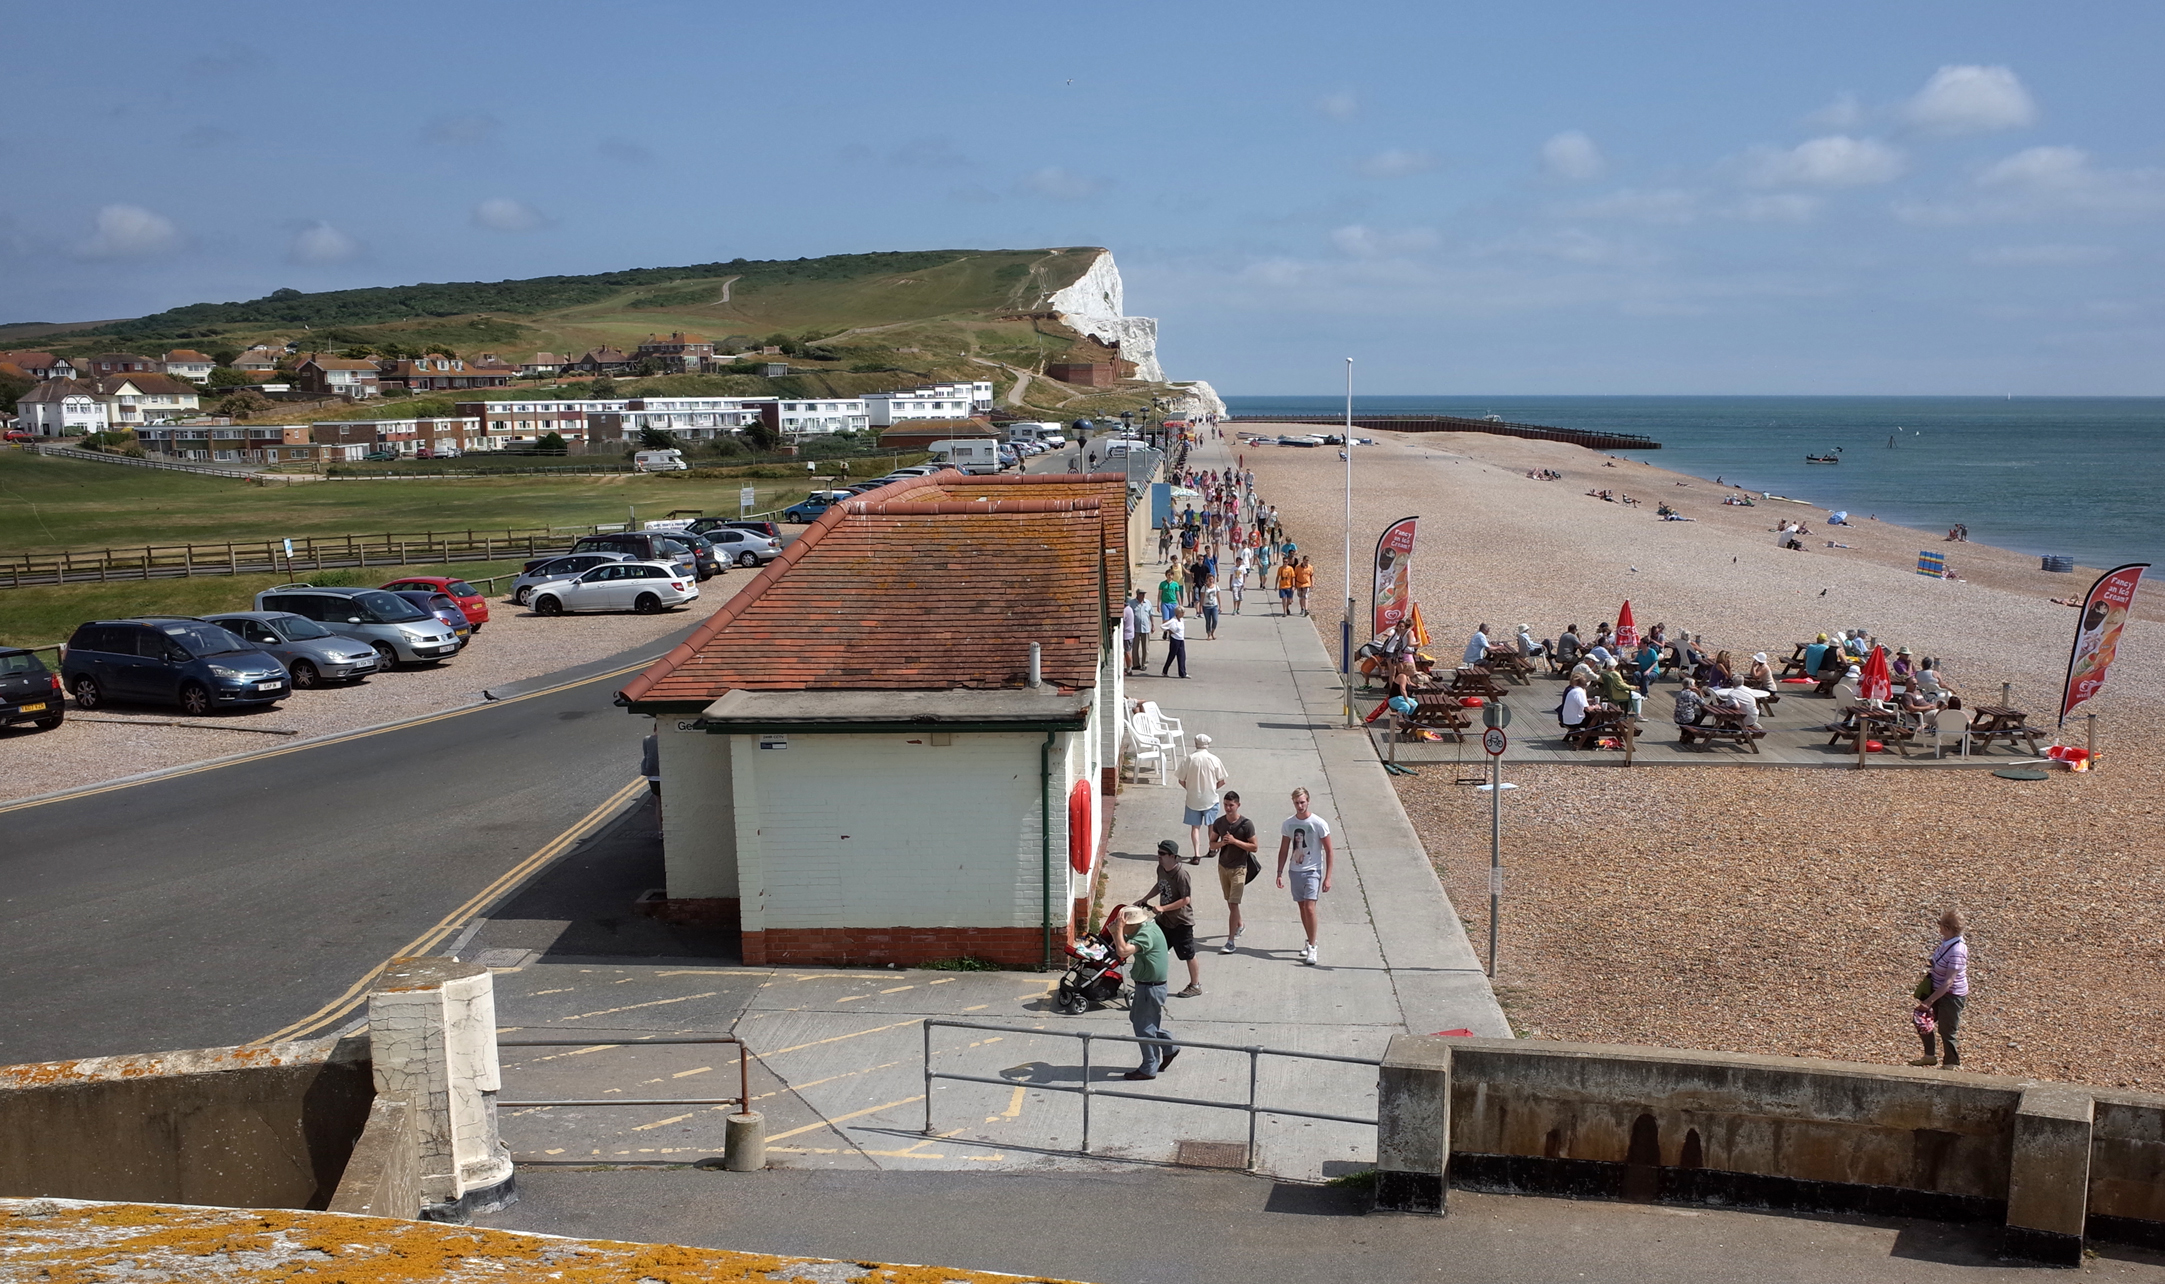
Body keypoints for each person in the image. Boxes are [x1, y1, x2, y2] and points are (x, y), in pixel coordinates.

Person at [1113, 905, 1175, 1079]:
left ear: (1133, 924)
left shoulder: (1145, 935)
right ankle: (1170, 1045)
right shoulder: (1148, 927)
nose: (1124, 930)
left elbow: (1122, 951)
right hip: (1151, 986)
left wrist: (1117, 930)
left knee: (1143, 1027)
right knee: (1140, 1021)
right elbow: (1123, 942)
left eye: (1126, 926)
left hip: (1150, 987)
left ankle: (1149, 1067)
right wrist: (1117, 931)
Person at [1275, 787, 1334, 965]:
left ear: (1308, 801)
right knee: (1302, 908)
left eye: (1302, 802)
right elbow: (1284, 849)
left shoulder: (1318, 823)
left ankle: (1313, 947)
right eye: (1296, 802)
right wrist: (1279, 872)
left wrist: (1328, 877)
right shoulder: (1288, 824)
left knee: (1310, 908)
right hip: (1295, 871)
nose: (1300, 805)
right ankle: (1309, 940)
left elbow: (1330, 851)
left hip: (1313, 871)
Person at [1140, 839, 1203, 998]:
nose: (1158, 857)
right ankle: (1151, 981)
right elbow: (1159, 885)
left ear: (1172, 856)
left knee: (1188, 954)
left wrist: (1162, 908)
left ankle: (1195, 985)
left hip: (1181, 922)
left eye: (1162, 854)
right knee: (1155, 949)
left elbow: (1186, 900)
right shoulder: (1161, 868)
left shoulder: (1181, 875)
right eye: (1158, 853)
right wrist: (1144, 899)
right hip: (1165, 921)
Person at [1909, 911, 1969, 1068]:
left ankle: (1951, 1063)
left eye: (1941, 925)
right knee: (1921, 1020)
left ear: (1947, 928)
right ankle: (1929, 1055)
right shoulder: (1946, 942)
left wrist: (1928, 1001)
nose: (1939, 928)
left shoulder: (1957, 951)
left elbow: (1949, 982)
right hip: (1937, 990)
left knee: (1947, 1031)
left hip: (1952, 995)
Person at [1211, 791, 1259, 952]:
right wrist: (1222, 844)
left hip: (1239, 868)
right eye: (1225, 804)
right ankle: (1240, 924)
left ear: (1238, 805)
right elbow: (1212, 844)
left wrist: (1234, 841)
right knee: (1230, 903)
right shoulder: (1219, 822)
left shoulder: (1246, 824)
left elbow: (1254, 847)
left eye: (1231, 805)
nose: (1228, 808)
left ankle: (1230, 941)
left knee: (1233, 902)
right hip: (1223, 867)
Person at [1176, 732, 1228, 862]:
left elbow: (1181, 780)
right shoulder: (1214, 759)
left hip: (1193, 799)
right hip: (1210, 798)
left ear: (1195, 744)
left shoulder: (1189, 759)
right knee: (1211, 825)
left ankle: (1196, 854)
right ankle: (1211, 849)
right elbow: (1222, 780)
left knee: (1195, 827)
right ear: (1208, 744)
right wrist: (1212, 788)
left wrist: (1190, 789)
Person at [1160, 605, 1189, 678]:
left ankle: (1182, 673)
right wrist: (1169, 630)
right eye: (1182, 612)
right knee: (1171, 656)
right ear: (1178, 613)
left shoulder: (1181, 620)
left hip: (1181, 640)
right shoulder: (1173, 620)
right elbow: (1163, 626)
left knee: (1182, 656)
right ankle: (1165, 671)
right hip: (1174, 640)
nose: (1183, 614)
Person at [1201, 574, 1221, 640]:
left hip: (1214, 606)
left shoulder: (1216, 587)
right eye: (1209, 579)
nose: (1211, 580)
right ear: (1207, 579)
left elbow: (1218, 596)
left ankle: (1213, 632)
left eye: (1212, 579)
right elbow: (1202, 598)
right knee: (1208, 621)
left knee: (1215, 620)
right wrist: (1200, 607)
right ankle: (1209, 634)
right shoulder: (1204, 588)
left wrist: (1220, 606)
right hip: (1206, 606)